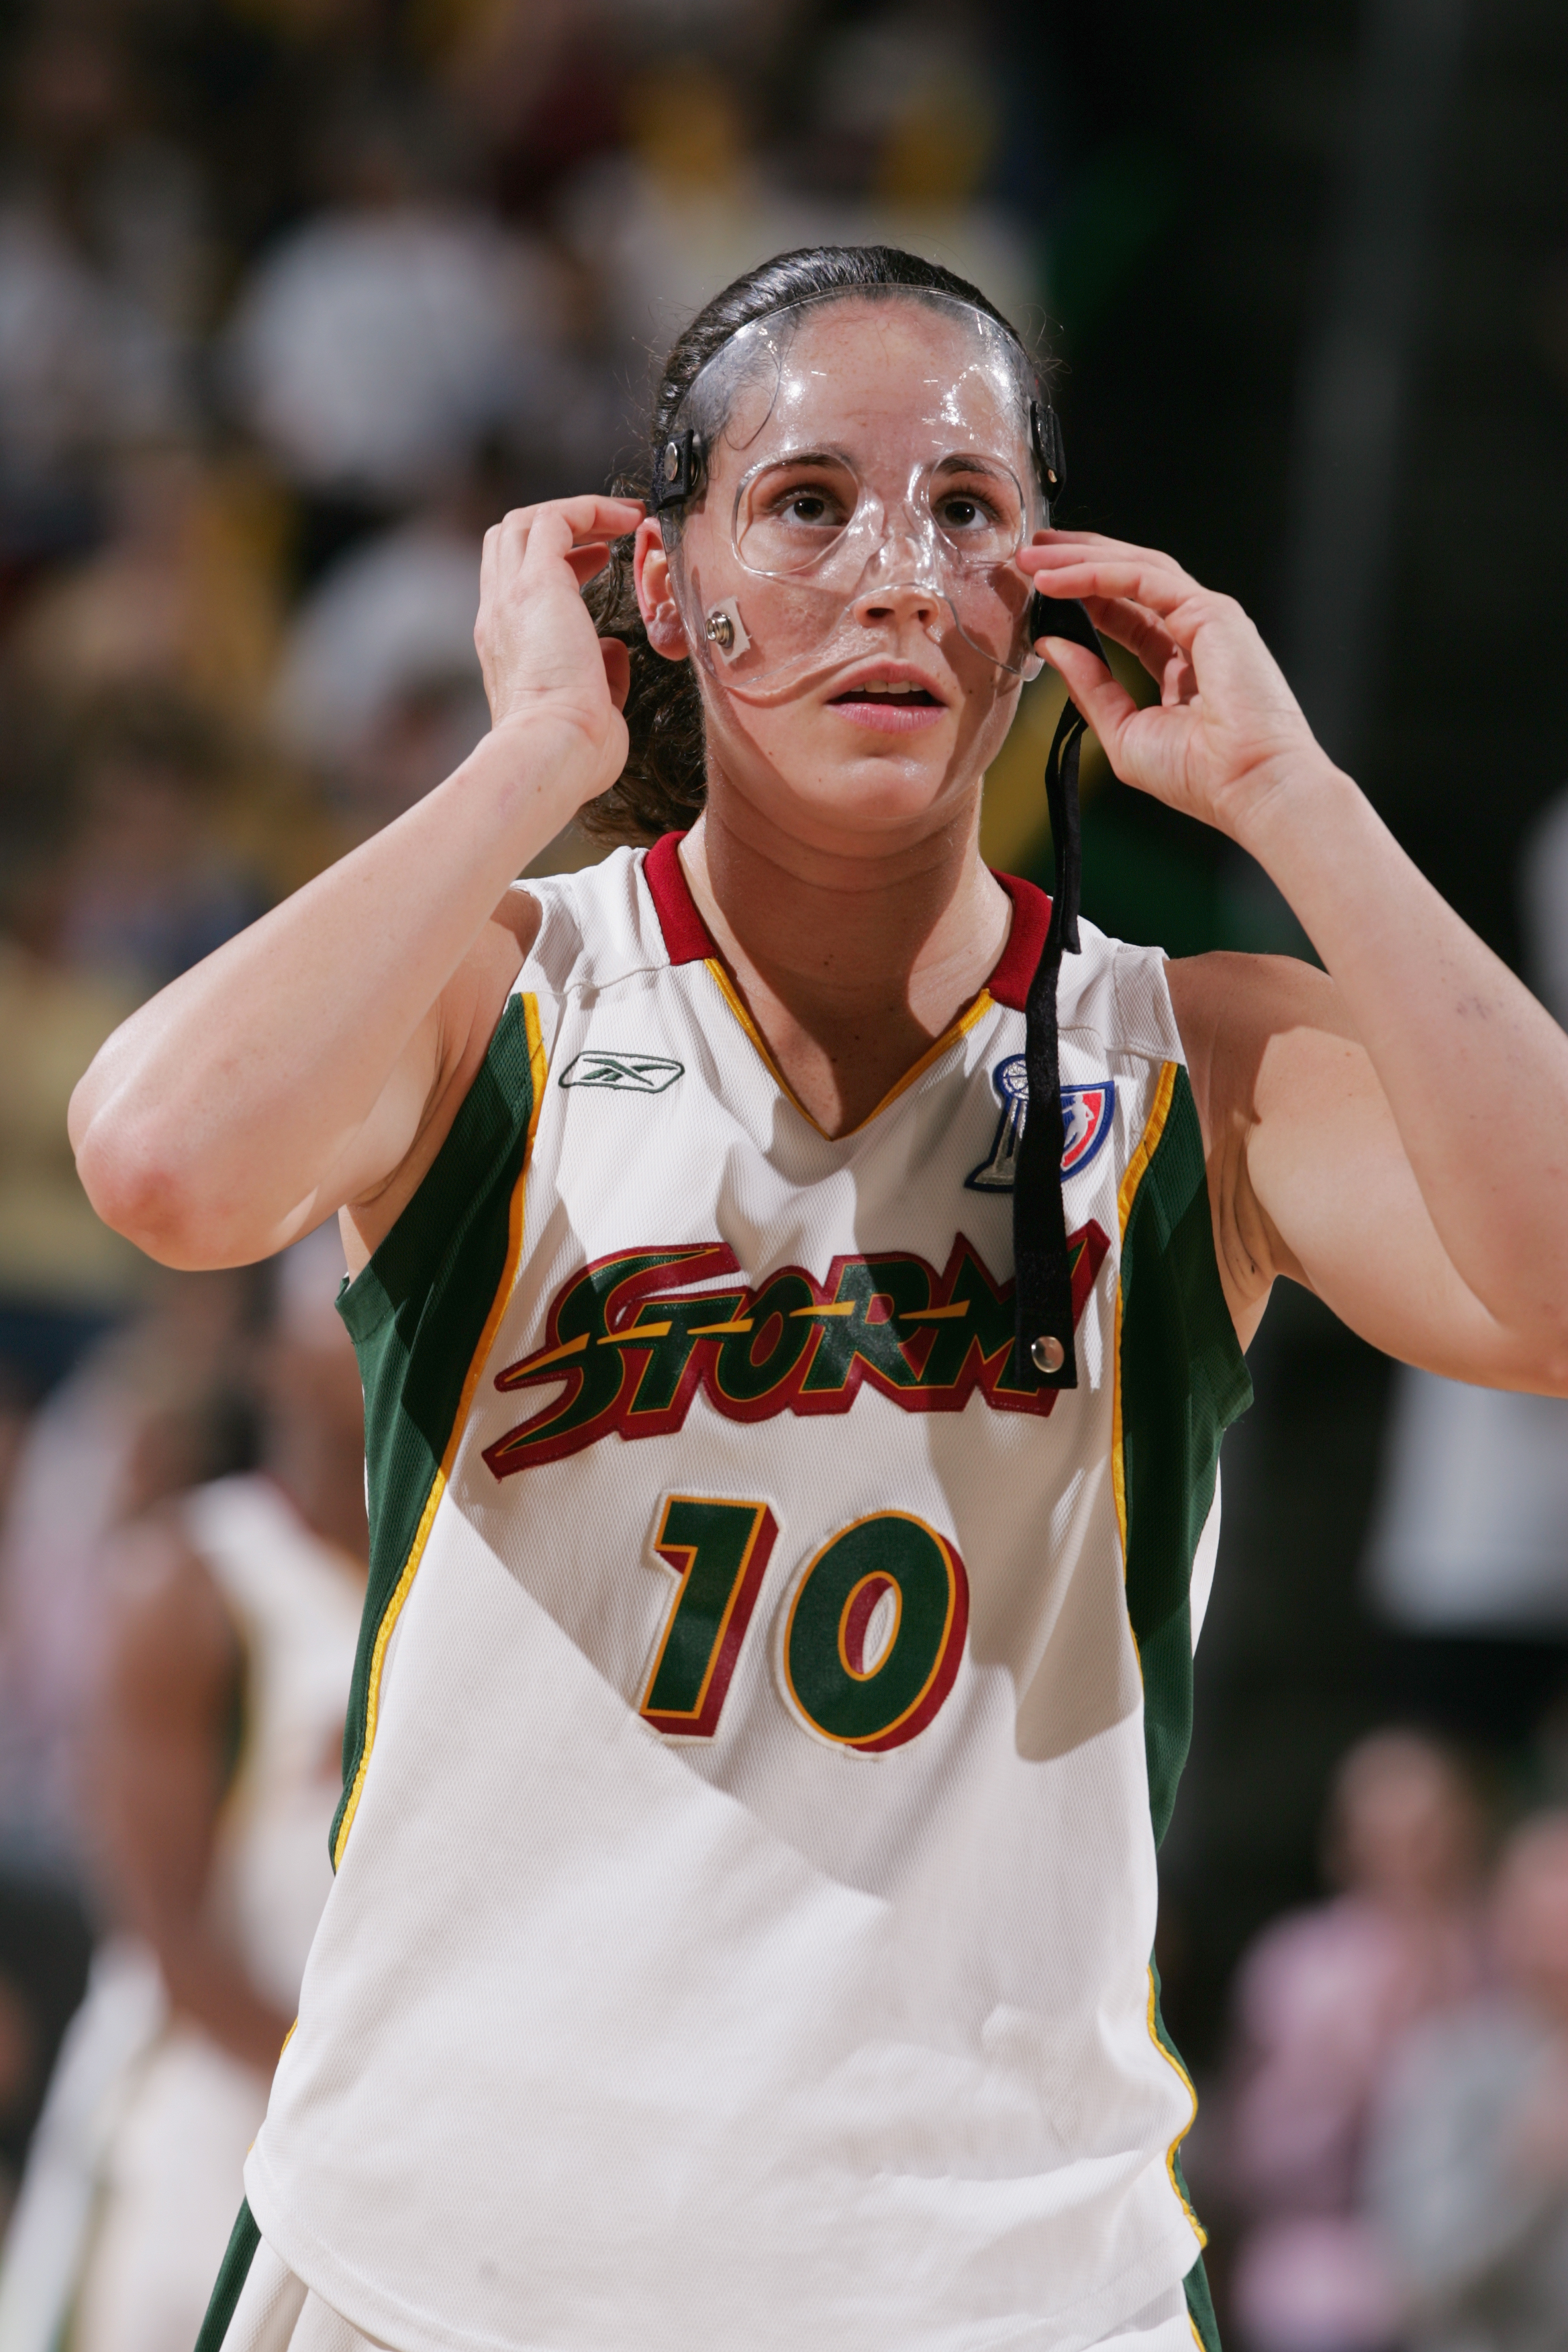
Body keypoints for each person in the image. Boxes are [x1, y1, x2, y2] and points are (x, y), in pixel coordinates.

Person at [66, 246, 1568, 2352]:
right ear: (667, 590)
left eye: (964, 509)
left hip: (1000, 2281)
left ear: (1045, 592)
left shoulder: (1189, 1057)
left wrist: (1292, 807)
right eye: (802, 502)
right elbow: (157, 1160)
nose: (891, 570)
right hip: (449, 2265)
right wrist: (524, 755)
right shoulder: (501, 986)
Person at [0, 1229, 366, 2352]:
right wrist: (361, 2078)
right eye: (336, 1302)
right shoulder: (201, 1575)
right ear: (266, 1359)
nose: (367, 1324)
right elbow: (166, 1937)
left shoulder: (458, 1582)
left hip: (354, 2117)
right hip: (195, 2122)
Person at [1214, 1732, 1487, 2352]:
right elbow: (1253, 2163)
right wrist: (1339, 2074)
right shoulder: (1297, 1965)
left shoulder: (1502, 1952)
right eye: (1383, 1835)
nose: (1408, 1859)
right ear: (1346, 1844)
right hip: (1325, 2254)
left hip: (1472, 2258)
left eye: (1426, 1834)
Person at [1365, 1810, 1568, 2352]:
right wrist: (1529, 2168)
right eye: (1545, 1921)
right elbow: (1421, 2276)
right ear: (1508, 1928)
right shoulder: (1447, 2065)